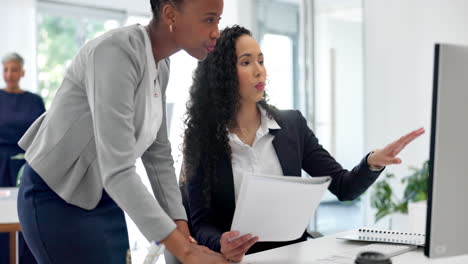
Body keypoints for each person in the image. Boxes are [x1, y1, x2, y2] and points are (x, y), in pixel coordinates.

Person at [182, 25, 425, 263]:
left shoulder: (291, 125)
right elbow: (201, 224)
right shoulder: (202, 140)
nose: (259, 71)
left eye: (261, 60)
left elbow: (344, 186)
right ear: (222, 74)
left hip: (293, 255)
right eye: (246, 62)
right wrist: (221, 242)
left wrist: (372, 162)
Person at [16, 0, 229, 263]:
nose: (216, 32)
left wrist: (185, 238)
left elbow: (158, 153)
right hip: (55, 196)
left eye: (218, 21)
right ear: (170, 14)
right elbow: (118, 170)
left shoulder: (160, 65)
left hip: (102, 194)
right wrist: (186, 252)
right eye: (209, 19)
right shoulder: (115, 52)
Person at [0, 52, 44, 264]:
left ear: (22, 72)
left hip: (27, 164)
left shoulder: (34, 101)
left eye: (14, 69)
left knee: (26, 214)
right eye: (5, 69)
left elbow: (43, 133)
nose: (9, 74)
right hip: (0, 164)